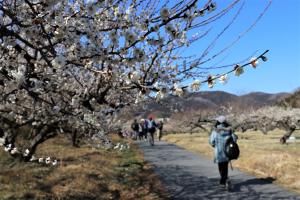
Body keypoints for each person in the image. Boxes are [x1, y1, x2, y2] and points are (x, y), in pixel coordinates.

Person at [209, 116, 238, 190]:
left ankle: (223, 181)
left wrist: (214, 145)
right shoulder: (229, 130)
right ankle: (224, 180)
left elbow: (211, 142)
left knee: (221, 167)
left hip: (219, 153)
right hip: (227, 152)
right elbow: (234, 140)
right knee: (225, 167)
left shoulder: (215, 131)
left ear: (218, 122)